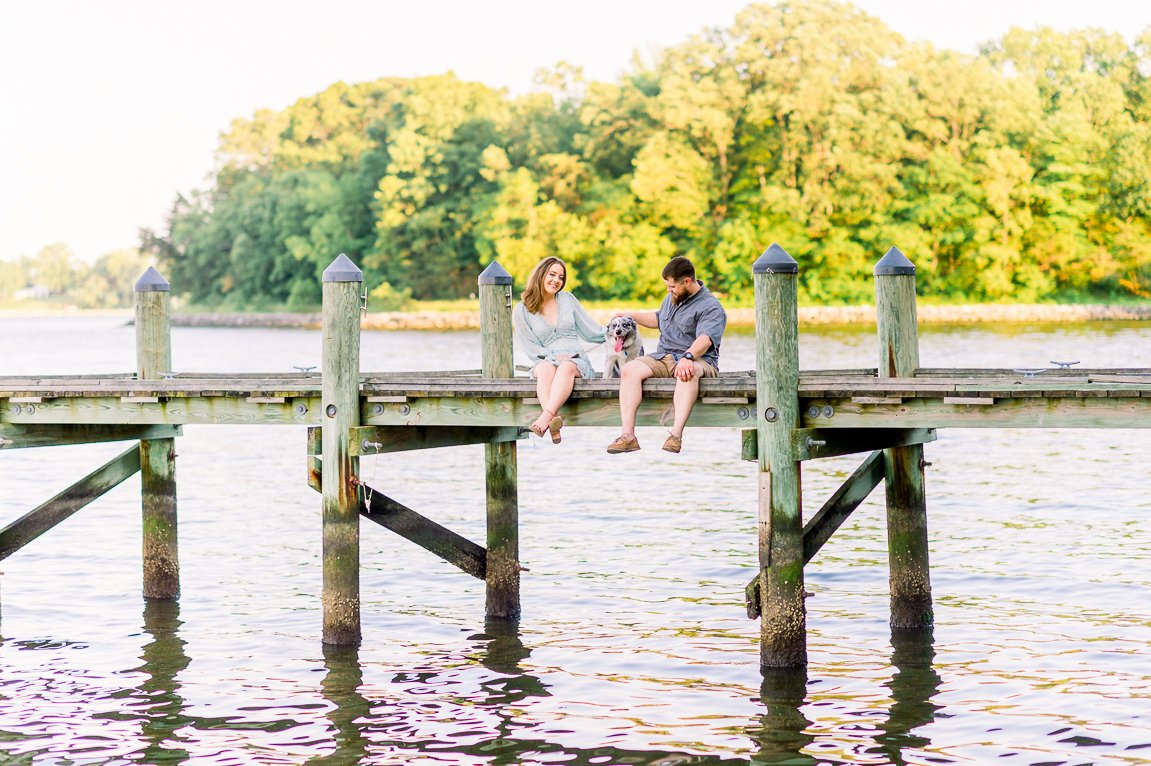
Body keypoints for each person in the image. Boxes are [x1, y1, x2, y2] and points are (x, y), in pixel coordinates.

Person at [606, 256, 726, 454]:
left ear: (687, 281)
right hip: (664, 356)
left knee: (687, 371)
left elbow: (705, 339)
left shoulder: (711, 306)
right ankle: (628, 437)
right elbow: (658, 319)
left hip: (699, 360)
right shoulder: (672, 298)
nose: (669, 290)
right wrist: (631, 315)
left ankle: (675, 436)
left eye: (672, 286)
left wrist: (688, 357)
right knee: (629, 370)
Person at [513, 256, 606, 444]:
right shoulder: (521, 310)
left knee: (566, 367)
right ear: (541, 275)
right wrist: (553, 358)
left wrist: (617, 331)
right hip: (545, 360)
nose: (557, 280)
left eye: (561, 277)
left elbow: (591, 330)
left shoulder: (567, 299)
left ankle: (545, 418)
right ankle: (553, 422)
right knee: (546, 368)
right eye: (552, 274)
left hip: (575, 360)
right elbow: (530, 347)